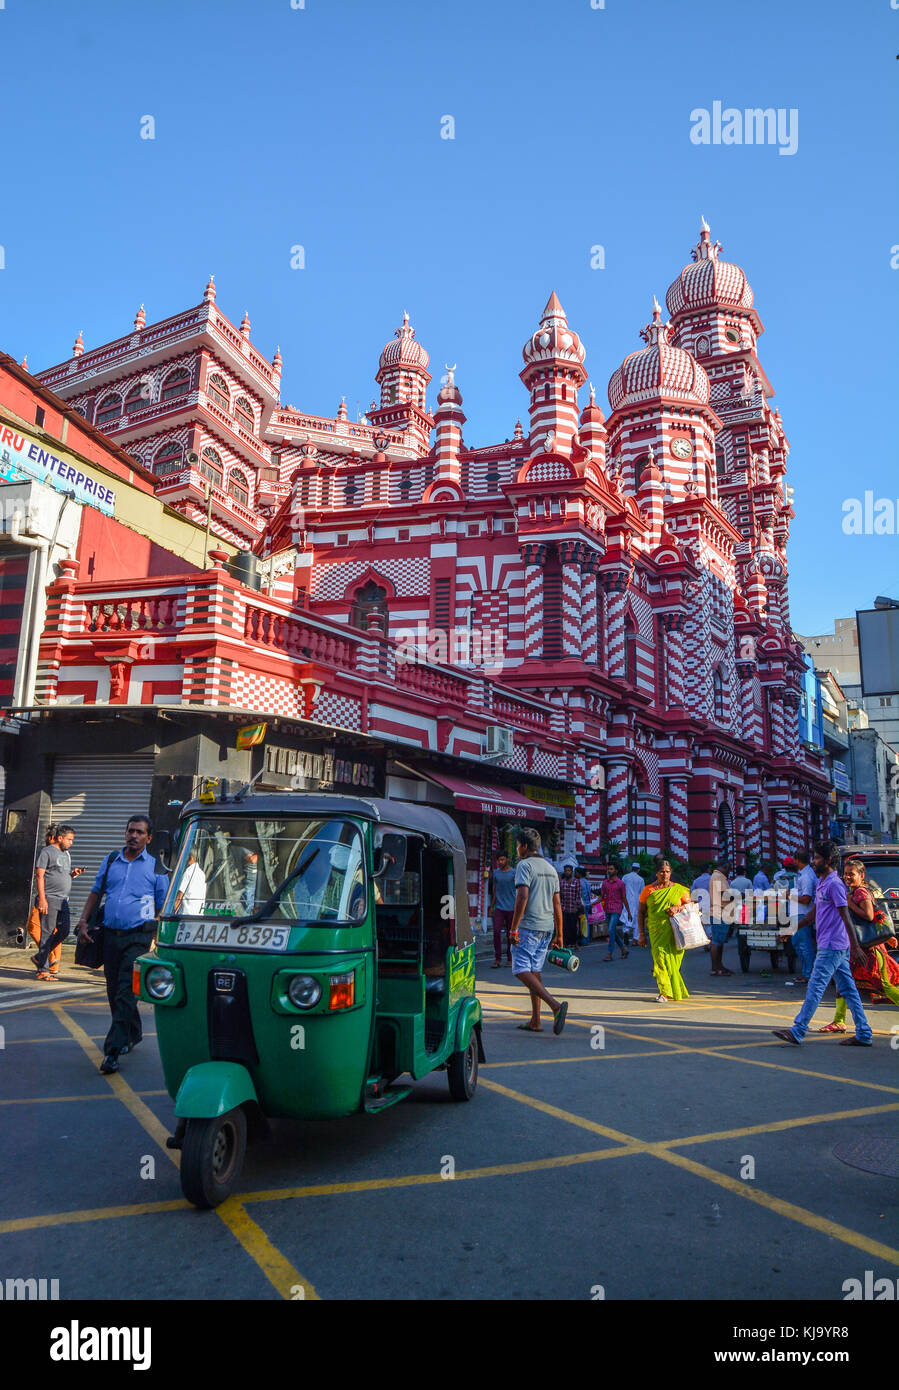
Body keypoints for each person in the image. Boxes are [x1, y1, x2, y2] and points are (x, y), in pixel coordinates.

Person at [76, 816, 170, 1074]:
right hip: (109, 935)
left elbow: (162, 905)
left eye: (140, 832)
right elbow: (96, 892)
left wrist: (156, 935)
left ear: (149, 838)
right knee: (114, 989)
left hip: (138, 938)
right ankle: (134, 1032)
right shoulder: (111, 861)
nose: (134, 836)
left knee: (125, 991)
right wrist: (83, 921)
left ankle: (112, 1051)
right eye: (130, 831)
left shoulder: (156, 868)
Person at [772, 840, 873, 1047]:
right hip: (834, 945)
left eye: (817, 858)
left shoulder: (835, 884)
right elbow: (811, 916)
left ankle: (798, 1030)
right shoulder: (823, 883)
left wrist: (855, 947)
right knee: (848, 990)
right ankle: (864, 1033)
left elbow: (846, 916)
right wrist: (791, 930)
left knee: (816, 986)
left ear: (827, 860)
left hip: (833, 946)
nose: (814, 861)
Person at [819, 859, 899, 1032]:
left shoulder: (860, 893)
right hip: (859, 949)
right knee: (844, 983)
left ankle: (840, 1020)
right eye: (846, 874)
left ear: (861, 876)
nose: (847, 877)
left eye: (851, 874)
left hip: (870, 950)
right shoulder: (855, 892)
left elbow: (869, 916)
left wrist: (849, 903)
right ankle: (839, 1020)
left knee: (883, 985)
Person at [509, 827, 567, 1034]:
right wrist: (559, 934)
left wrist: (513, 928)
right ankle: (535, 1020)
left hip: (528, 926)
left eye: (517, 845)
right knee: (534, 971)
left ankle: (555, 1006)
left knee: (520, 969)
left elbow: (522, 896)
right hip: (546, 927)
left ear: (524, 846)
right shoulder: (550, 868)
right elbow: (557, 904)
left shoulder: (524, 865)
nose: (517, 849)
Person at [32, 824, 85, 981]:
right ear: (60, 838)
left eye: (72, 840)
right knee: (47, 933)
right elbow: (40, 876)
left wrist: (73, 874)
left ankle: (40, 957)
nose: (71, 843)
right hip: (49, 897)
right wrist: (42, 898)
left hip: (63, 900)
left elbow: (62, 875)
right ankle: (43, 970)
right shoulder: (46, 852)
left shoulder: (66, 854)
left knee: (64, 931)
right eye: (69, 839)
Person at [637, 858, 691, 1002]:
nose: (664, 874)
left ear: (670, 873)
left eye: (667, 872)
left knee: (673, 962)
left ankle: (674, 989)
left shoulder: (679, 889)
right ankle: (664, 991)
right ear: (656, 873)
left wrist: (678, 907)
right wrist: (641, 934)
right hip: (656, 931)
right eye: (661, 872)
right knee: (660, 959)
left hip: (676, 932)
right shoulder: (648, 890)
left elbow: (690, 906)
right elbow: (641, 912)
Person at [789, 848, 817, 983]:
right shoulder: (804, 874)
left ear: (797, 860)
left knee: (804, 945)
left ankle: (808, 974)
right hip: (798, 912)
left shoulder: (806, 876)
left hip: (803, 913)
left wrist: (791, 896)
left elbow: (806, 898)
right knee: (797, 944)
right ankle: (806, 972)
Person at [488, 851, 517, 968]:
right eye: (499, 860)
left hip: (512, 908)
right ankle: (498, 959)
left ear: (507, 860)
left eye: (502, 860)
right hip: (499, 907)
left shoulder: (514, 873)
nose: (500, 862)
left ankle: (510, 959)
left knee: (511, 934)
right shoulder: (496, 873)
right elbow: (495, 890)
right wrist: (491, 906)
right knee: (496, 932)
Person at [708, 861, 734, 977]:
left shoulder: (717, 876)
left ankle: (719, 966)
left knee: (719, 942)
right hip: (720, 912)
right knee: (716, 942)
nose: (729, 873)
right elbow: (724, 895)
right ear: (725, 867)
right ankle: (715, 968)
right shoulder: (718, 876)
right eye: (729, 870)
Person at [600, 863, 629, 961]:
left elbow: (624, 898)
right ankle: (623, 948)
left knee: (611, 930)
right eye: (608, 869)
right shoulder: (605, 883)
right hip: (607, 908)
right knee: (612, 931)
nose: (609, 871)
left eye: (611, 869)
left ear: (616, 871)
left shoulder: (621, 884)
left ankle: (609, 953)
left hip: (616, 909)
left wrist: (629, 912)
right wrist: (592, 904)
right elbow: (602, 897)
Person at [558, 863, 583, 952]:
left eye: (569, 870)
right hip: (564, 908)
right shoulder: (562, 882)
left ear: (572, 872)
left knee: (574, 927)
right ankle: (564, 944)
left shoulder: (576, 882)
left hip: (574, 908)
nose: (567, 872)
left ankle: (576, 944)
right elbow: (560, 896)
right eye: (566, 871)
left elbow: (578, 895)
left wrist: (578, 908)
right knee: (564, 927)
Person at [173, 851, 207, 916]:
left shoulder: (188, 873)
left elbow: (180, 896)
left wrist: (173, 913)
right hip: (199, 916)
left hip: (186, 916)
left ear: (191, 858)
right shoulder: (202, 874)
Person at [622, 863, 645, 946]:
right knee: (636, 919)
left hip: (626, 899)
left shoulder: (625, 877)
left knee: (626, 915)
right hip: (637, 901)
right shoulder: (641, 879)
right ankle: (635, 940)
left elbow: (622, 888)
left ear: (632, 868)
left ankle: (626, 931)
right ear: (638, 870)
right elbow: (642, 892)